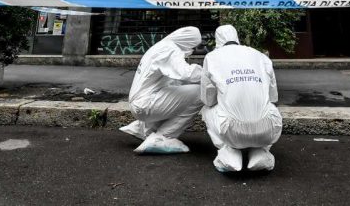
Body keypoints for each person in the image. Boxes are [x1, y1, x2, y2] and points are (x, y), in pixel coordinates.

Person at [200, 25, 283, 172]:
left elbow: (208, 99)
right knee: (270, 108)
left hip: (232, 131)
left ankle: (228, 152)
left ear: (217, 39)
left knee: (206, 109)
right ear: (236, 37)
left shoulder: (212, 58)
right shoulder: (260, 56)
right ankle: (260, 152)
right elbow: (273, 97)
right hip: (266, 130)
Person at [120, 26, 204, 154]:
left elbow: (177, 80)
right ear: (187, 41)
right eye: (193, 45)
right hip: (145, 104)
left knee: (178, 88)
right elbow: (187, 73)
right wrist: (209, 73)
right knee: (200, 93)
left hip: (141, 102)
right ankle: (164, 137)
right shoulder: (169, 50)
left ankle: (146, 129)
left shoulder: (161, 46)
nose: (192, 50)